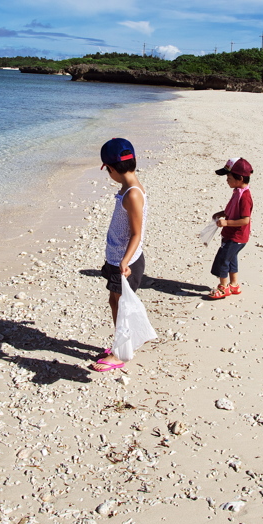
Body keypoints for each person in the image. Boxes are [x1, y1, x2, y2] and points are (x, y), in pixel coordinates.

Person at [93, 137, 147, 372]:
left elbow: (136, 233)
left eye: (108, 171)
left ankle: (121, 353)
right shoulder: (128, 187)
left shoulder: (133, 194)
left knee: (122, 307)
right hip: (116, 257)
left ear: (112, 169)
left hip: (125, 261)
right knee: (114, 301)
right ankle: (120, 344)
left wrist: (124, 262)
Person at [208, 157, 254, 300]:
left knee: (223, 260)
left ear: (239, 178)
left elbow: (245, 219)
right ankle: (234, 284)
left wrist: (227, 223)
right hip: (233, 235)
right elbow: (233, 210)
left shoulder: (245, 197)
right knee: (232, 258)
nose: (226, 180)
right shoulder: (238, 191)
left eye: (228, 177)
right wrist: (222, 213)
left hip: (236, 236)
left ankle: (223, 288)